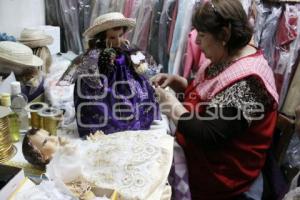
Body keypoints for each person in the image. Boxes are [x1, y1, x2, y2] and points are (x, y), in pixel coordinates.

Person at [152, 0, 279, 199]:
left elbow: (209, 133)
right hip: (202, 170)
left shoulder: (250, 82)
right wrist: (182, 83)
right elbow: (215, 92)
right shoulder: (227, 56)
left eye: (201, 35)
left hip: (225, 184)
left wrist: (171, 105)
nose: (196, 42)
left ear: (224, 35)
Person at [60, 12, 160, 137]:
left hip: (126, 86)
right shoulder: (94, 57)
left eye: (120, 35)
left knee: (140, 96)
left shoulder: (128, 51)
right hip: (106, 88)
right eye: (112, 38)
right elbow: (88, 78)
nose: (118, 41)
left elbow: (145, 68)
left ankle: (135, 120)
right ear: (102, 38)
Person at [22, 128, 173, 200]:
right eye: (45, 141)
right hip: (99, 170)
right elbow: (81, 184)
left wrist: (95, 143)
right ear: (42, 156)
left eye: (49, 134)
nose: (53, 137)